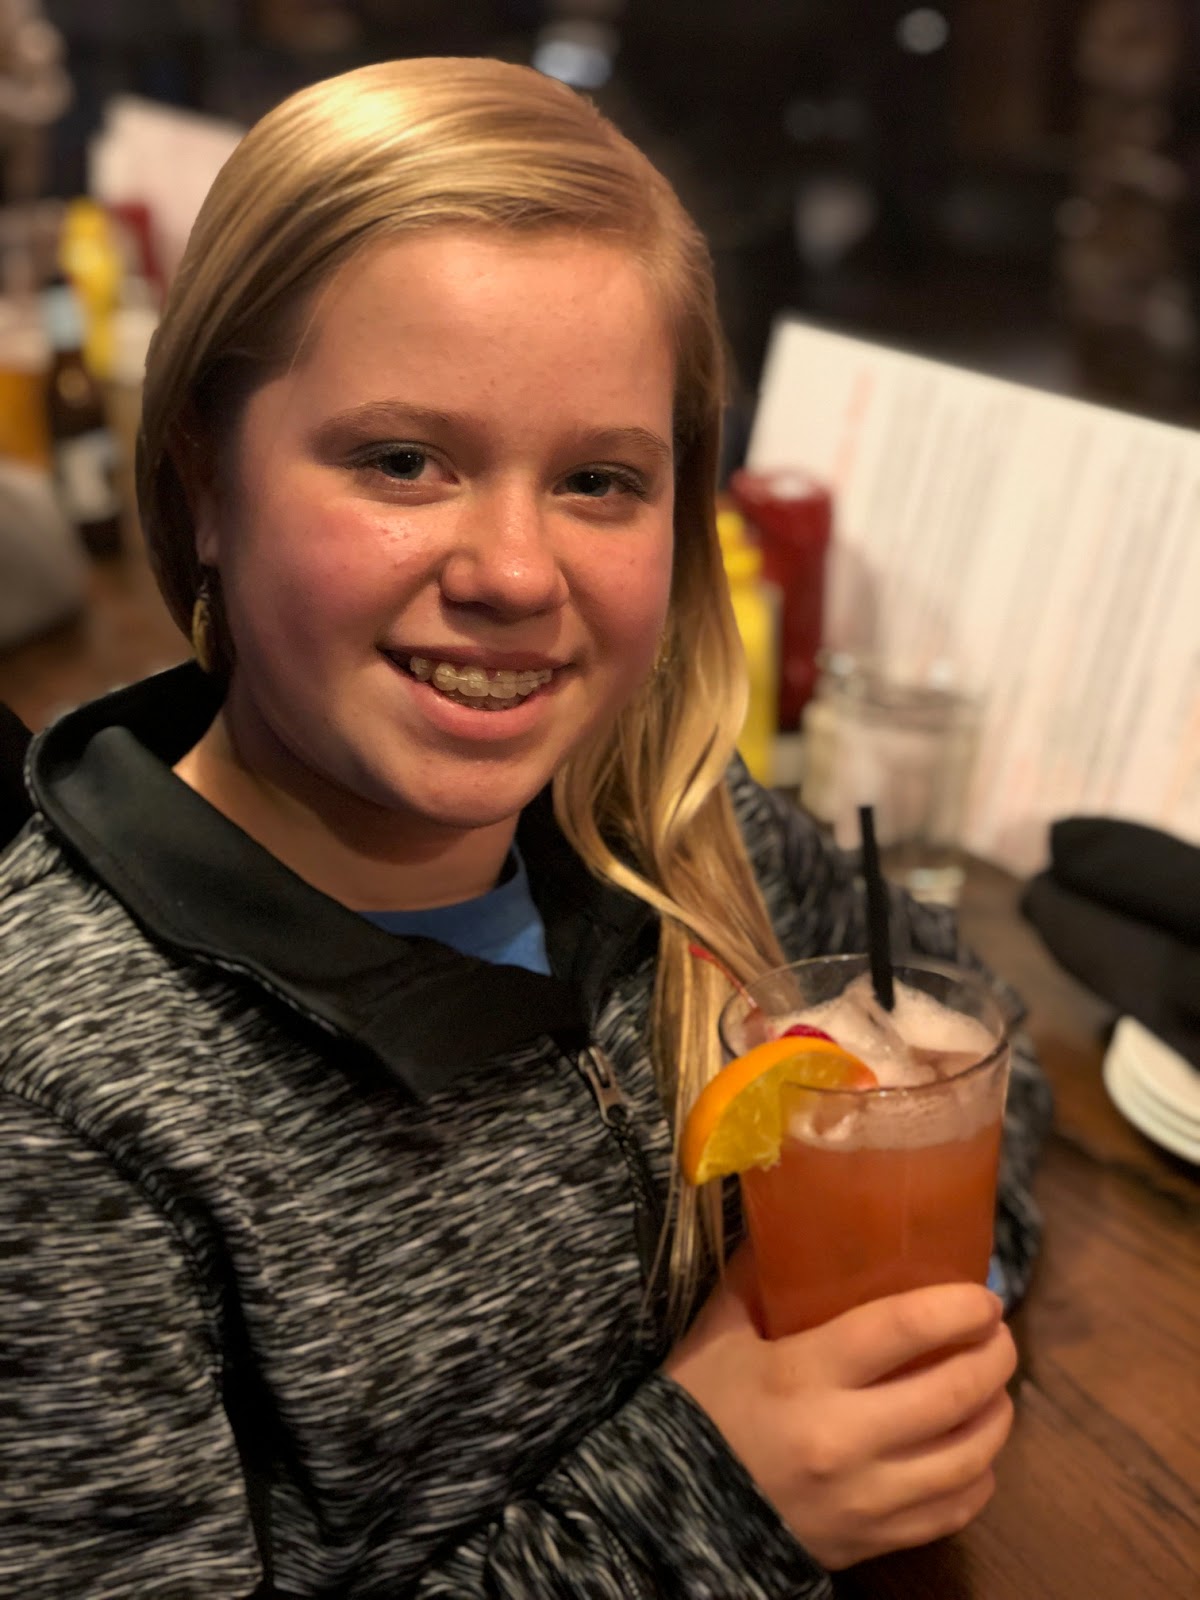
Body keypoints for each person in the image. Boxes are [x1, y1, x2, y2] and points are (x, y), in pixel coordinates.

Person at [0, 56, 1052, 1599]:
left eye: (600, 480)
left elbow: (962, 1043)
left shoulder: (672, 822)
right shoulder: (56, 1105)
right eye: (402, 461)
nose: (512, 570)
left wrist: (904, 1316)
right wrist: (720, 1492)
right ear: (203, 481)